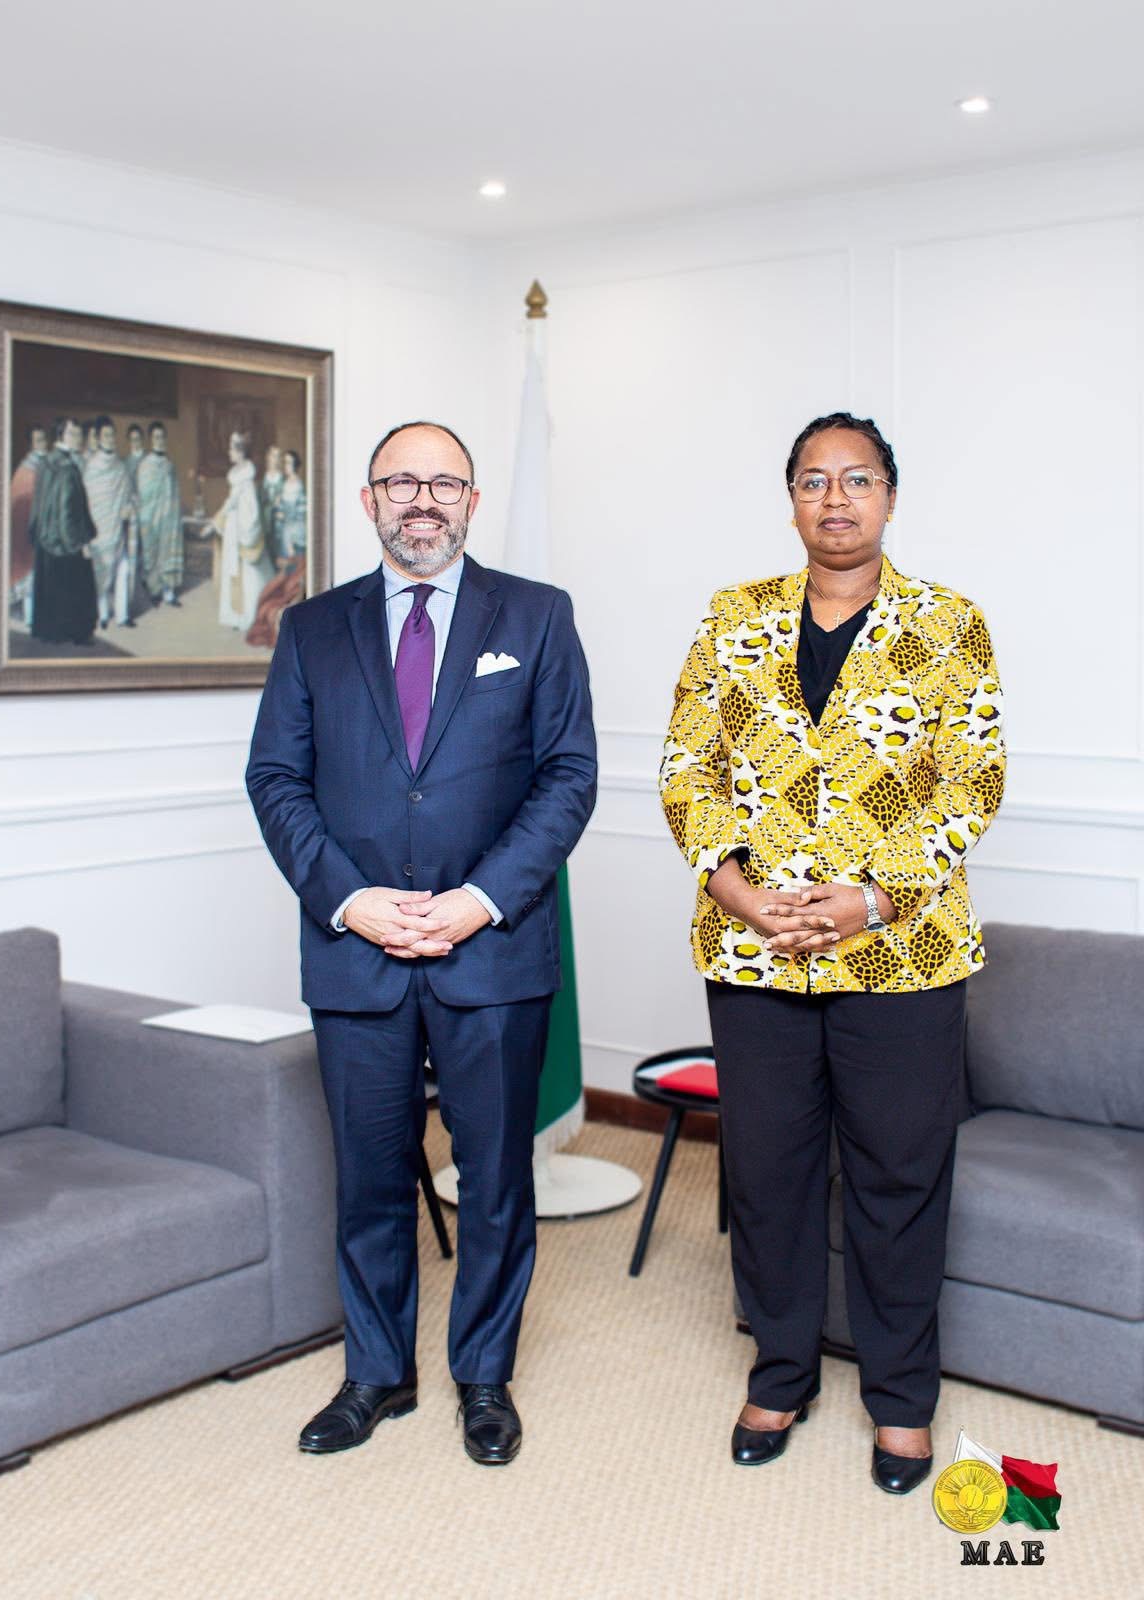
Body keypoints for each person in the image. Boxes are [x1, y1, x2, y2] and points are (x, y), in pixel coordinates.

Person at [660, 411, 1005, 1495]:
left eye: (858, 479)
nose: (836, 498)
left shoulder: (949, 624)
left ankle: (901, 1402)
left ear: (890, 497)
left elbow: (973, 780)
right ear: (792, 501)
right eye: (814, 480)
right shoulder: (733, 617)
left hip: (901, 956)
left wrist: (874, 899)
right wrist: (738, 891)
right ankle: (780, 1373)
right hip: (754, 950)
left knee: (898, 1178)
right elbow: (686, 768)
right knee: (768, 1175)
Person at [246, 420, 597, 1467]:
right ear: (370, 501)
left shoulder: (535, 615)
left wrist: (481, 899)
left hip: (493, 949)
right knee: (369, 1177)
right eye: (402, 481)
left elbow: (568, 775)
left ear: (473, 502)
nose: (424, 499)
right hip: (355, 951)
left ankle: (483, 1376)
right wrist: (347, 900)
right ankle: (376, 1373)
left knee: (494, 1179)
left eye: (445, 482)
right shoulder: (311, 629)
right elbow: (276, 779)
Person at [28, 415, 97, 645]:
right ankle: (76, 635)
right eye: (72, 434)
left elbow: (37, 506)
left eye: (79, 434)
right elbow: (67, 511)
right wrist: (79, 544)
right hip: (65, 542)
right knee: (77, 588)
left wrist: (37, 534)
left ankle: (51, 633)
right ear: (61, 435)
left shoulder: (45, 462)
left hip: (45, 541)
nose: (78, 438)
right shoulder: (68, 468)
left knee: (51, 590)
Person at [209, 430, 272, 630]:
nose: (229, 452)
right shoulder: (238, 474)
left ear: (240, 451)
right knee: (234, 568)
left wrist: (217, 520)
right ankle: (236, 615)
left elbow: (234, 503)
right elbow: (232, 502)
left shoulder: (245, 478)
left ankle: (247, 616)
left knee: (246, 571)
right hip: (234, 525)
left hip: (240, 526)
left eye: (231, 449)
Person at [244, 448, 307, 651]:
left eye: (287, 463)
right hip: (283, 537)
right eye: (284, 462)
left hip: (295, 540)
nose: (284, 466)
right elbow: (279, 513)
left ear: (294, 465)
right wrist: (279, 514)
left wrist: (292, 540)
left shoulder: (298, 486)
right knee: (271, 590)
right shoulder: (284, 485)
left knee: (287, 585)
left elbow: (300, 517)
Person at [83, 415, 139, 629]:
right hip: (100, 529)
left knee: (123, 570)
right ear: (98, 438)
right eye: (106, 435)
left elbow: (130, 493)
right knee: (102, 573)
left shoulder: (120, 466)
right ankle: (103, 614)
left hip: (119, 528)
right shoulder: (92, 468)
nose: (110, 439)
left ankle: (123, 616)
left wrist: (129, 506)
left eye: (112, 435)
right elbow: (88, 500)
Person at [136, 421, 184, 606]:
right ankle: (154, 589)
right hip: (150, 517)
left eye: (162, 437)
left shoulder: (170, 465)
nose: (160, 440)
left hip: (168, 517)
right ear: (150, 440)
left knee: (168, 551)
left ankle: (168, 592)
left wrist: (172, 513)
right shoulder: (145, 465)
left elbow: (174, 492)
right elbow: (143, 493)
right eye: (156, 437)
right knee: (151, 553)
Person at [9, 424, 50, 627]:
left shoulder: (49, 466)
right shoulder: (25, 471)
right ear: (31, 445)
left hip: (46, 530)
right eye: (38, 441)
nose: (43, 444)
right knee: (29, 578)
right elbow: (18, 500)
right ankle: (30, 618)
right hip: (28, 531)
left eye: (44, 439)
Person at [260, 443, 285, 559]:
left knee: (278, 550)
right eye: (273, 456)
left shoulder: (282, 478)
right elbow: (261, 500)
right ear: (268, 457)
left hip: (279, 521)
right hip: (265, 520)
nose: (275, 459)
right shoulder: (264, 479)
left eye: (278, 456)